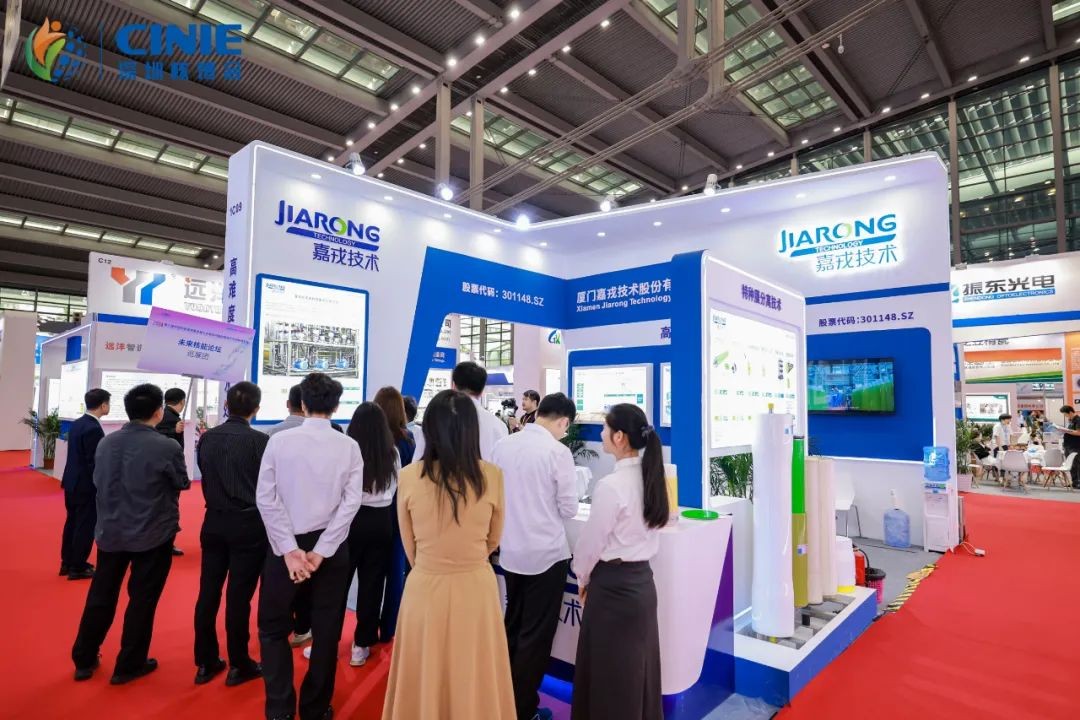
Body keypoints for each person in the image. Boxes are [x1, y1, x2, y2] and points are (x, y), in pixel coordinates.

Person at [381, 390, 515, 719]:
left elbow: (408, 543)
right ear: (471, 430)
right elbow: (493, 539)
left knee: (425, 674)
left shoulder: (409, 476)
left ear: (429, 429)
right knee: (476, 674)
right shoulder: (492, 476)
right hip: (476, 588)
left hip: (425, 587)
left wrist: (432, 563)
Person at [256, 372, 364, 720]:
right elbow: (351, 503)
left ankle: (279, 709)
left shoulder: (279, 442)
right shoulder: (348, 446)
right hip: (329, 549)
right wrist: (322, 550)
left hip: (285, 547)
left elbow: (266, 499)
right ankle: (315, 708)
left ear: (302, 404)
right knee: (327, 628)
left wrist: (289, 550)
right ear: (336, 406)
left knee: (273, 627)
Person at [71, 384, 189, 684]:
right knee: (142, 600)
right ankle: (129, 663)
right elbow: (182, 482)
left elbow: (98, 479)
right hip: (153, 532)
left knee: (101, 594)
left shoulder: (107, 443)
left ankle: (84, 657)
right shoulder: (166, 446)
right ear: (158, 411)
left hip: (111, 530)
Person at [571, 403, 669, 720]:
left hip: (611, 590)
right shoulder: (652, 478)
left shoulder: (611, 486)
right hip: (642, 587)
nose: (601, 433)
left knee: (608, 676)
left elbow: (591, 545)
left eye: (605, 428)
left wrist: (582, 578)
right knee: (637, 672)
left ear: (619, 437)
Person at [490, 392, 579, 720]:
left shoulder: (503, 445)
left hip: (511, 552)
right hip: (546, 555)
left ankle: (503, 701)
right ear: (563, 422)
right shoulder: (558, 452)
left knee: (512, 626)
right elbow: (569, 508)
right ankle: (523, 708)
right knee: (535, 637)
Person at [192, 382, 269, 688]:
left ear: (226, 406)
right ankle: (239, 663)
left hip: (213, 521)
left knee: (208, 593)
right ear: (256, 409)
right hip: (248, 524)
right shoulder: (260, 442)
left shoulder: (207, 438)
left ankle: (205, 661)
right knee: (239, 597)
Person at [343, 402, 399, 667]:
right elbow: (395, 487)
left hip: (351, 519)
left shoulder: (347, 449)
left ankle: (325, 641)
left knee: (337, 583)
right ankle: (361, 644)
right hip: (382, 520)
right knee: (372, 584)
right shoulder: (392, 452)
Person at [264, 384, 314, 648]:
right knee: (307, 579)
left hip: (280, 521)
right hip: (314, 522)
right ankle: (303, 627)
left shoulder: (272, 434)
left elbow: (266, 487)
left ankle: (281, 626)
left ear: (289, 404)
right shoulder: (331, 437)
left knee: (280, 577)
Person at [372, 386, 415, 642]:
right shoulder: (407, 439)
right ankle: (389, 627)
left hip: (370, 512)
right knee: (395, 570)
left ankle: (366, 630)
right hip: (399, 510)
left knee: (370, 572)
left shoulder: (367, 437)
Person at [59, 388, 110, 581]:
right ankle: (78, 566)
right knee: (85, 525)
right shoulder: (93, 428)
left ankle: (67, 561)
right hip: (86, 485)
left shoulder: (78, 424)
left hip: (72, 482)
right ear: (103, 405)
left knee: (72, 522)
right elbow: (94, 462)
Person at [413, 361, 508, 462]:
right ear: (482, 391)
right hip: (484, 472)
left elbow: (418, 460)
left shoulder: (437, 417)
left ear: (453, 385)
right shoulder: (498, 425)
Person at [157, 387, 188, 557]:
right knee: (169, 507)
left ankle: (166, 542)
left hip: (166, 468)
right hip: (169, 470)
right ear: (182, 401)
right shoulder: (167, 417)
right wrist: (173, 431)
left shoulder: (168, 415)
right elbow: (157, 436)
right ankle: (165, 543)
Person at [1058, 406, 1080, 489]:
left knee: (1076, 464)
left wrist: (1066, 430)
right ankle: (1074, 482)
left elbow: (1078, 432)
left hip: (1075, 446)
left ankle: (1078, 482)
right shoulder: (1070, 421)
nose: (1065, 416)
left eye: (1065, 414)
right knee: (1070, 465)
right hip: (1068, 445)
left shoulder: (1078, 420)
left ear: (1070, 412)